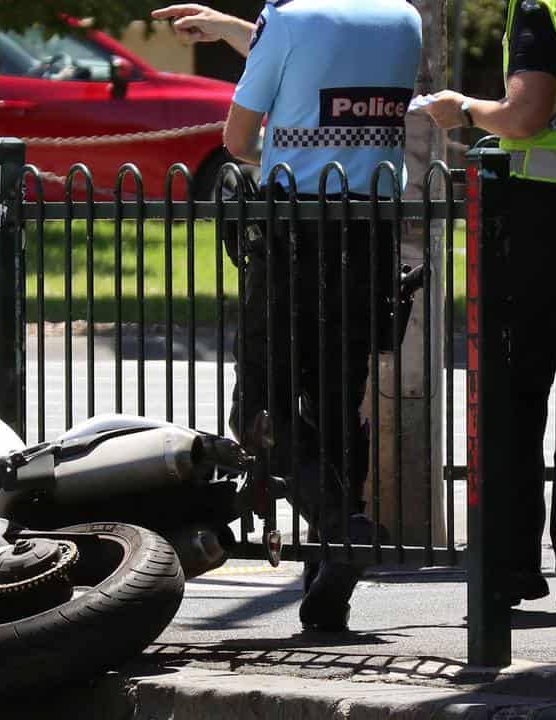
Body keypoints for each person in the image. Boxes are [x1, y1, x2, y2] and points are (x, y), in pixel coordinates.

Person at [153, 0, 422, 631]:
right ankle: (331, 583)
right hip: (370, 231)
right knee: (335, 405)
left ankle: (339, 528)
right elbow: (324, 70)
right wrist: (231, 32)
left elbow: (238, 139)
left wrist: (279, 148)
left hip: (294, 235)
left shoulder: (290, 20)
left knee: (258, 408)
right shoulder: (404, 20)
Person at [421, 0, 556, 614]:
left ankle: (509, 566)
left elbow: (525, 115)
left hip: (541, 218)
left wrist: (461, 109)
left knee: (514, 393)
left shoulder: (552, 9)